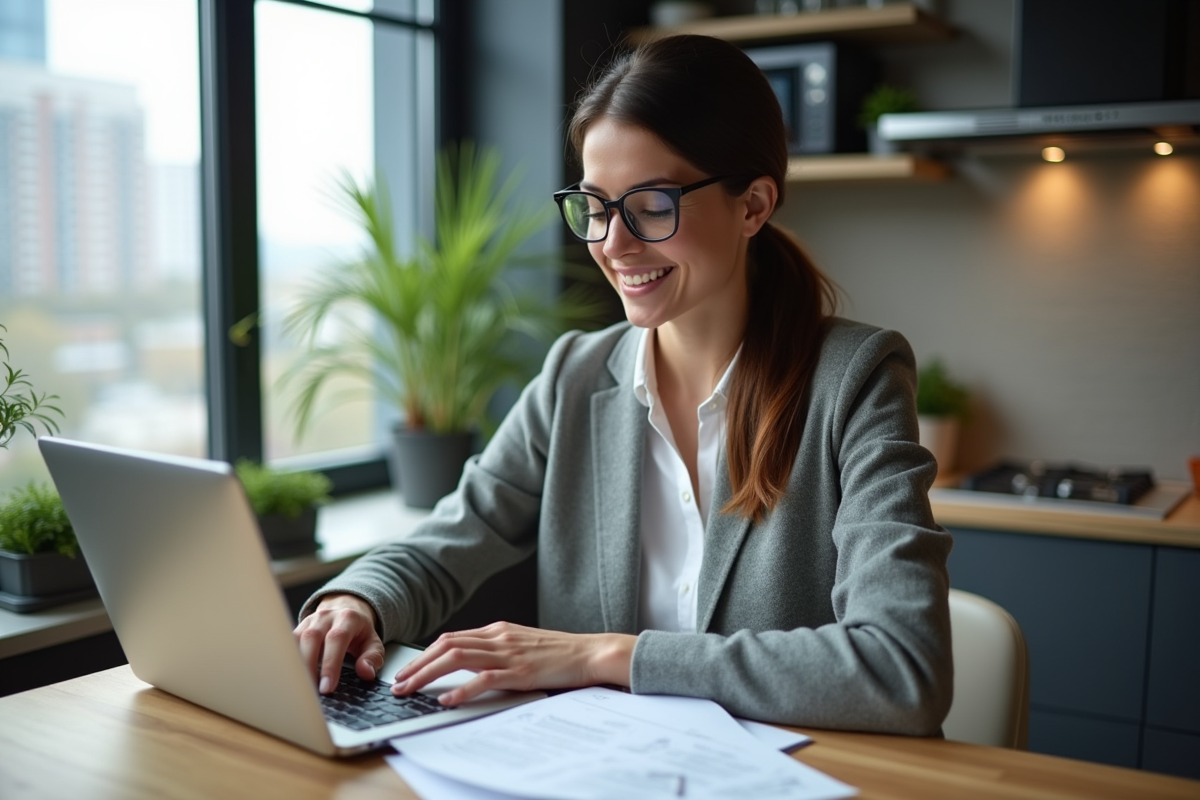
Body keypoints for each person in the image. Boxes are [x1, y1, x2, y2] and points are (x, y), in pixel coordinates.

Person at [294, 33, 953, 736]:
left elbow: (901, 667)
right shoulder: (574, 377)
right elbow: (453, 538)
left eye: (652, 204)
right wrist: (357, 600)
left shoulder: (855, 380)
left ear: (754, 205)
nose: (612, 242)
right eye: (596, 206)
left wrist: (607, 656)